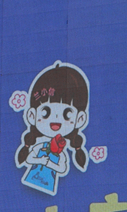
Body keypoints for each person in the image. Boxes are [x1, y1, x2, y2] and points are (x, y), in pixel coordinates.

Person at [15, 61, 91, 196]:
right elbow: (29, 158)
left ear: (80, 119)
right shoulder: (41, 146)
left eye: (67, 114)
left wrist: (49, 163)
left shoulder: (60, 152)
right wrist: (40, 160)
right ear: (32, 115)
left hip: (47, 185)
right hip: (31, 180)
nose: (55, 119)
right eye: (46, 112)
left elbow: (62, 168)